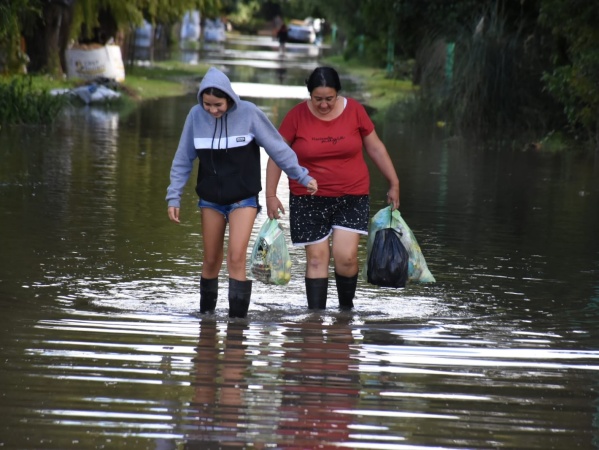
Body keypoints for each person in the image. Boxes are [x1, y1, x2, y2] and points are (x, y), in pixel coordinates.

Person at [166, 67, 318, 319]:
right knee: (211, 260)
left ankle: (237, 326)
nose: (213, 110)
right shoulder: (195, 116)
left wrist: (301, 175)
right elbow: (183, 159)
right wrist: (174, 195)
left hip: (243, 199)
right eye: (207, 104)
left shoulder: (249, 114)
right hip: (210, 200)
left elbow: (277, 148)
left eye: (218, 104)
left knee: (236, 258)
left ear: (229, 98)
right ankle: (207, 321)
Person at [265, 66, 400, 311]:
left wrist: (394, 182)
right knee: (317, 260)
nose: (324, 105)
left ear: (338, 93)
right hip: (308, 198)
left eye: (329, 99)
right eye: (318, 99)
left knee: (345, 258)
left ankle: (344, 316)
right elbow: (277, 155)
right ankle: (315, 321)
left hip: (352, 195)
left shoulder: (356, 111)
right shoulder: (296, 116)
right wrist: (271, 194)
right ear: (309, 95)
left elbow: (376, 148)